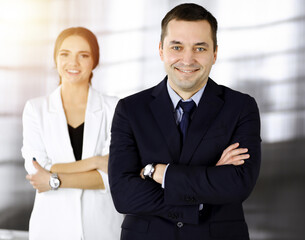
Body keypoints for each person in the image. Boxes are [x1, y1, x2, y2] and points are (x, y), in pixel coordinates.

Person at [109, 3, 261, 240]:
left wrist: (161, 174)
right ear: (161, 50)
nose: (187, 59)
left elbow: (238, 184)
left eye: (199, 48)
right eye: (177, 47)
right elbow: (123, 195)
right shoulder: (130, 110)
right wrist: (210, 178)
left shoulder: (241, 107)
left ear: (215, 53)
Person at [22, 27, 124, 240]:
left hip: (101, 227)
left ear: (94, 61)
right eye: (65, 54)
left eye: (83, 55)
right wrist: (95, 161)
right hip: (51, 225)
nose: (73, 63)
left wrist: (52, 180)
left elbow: (112, 176)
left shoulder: (114, 108)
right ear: (55, 59)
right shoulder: (36, 109)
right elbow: (36, 168)